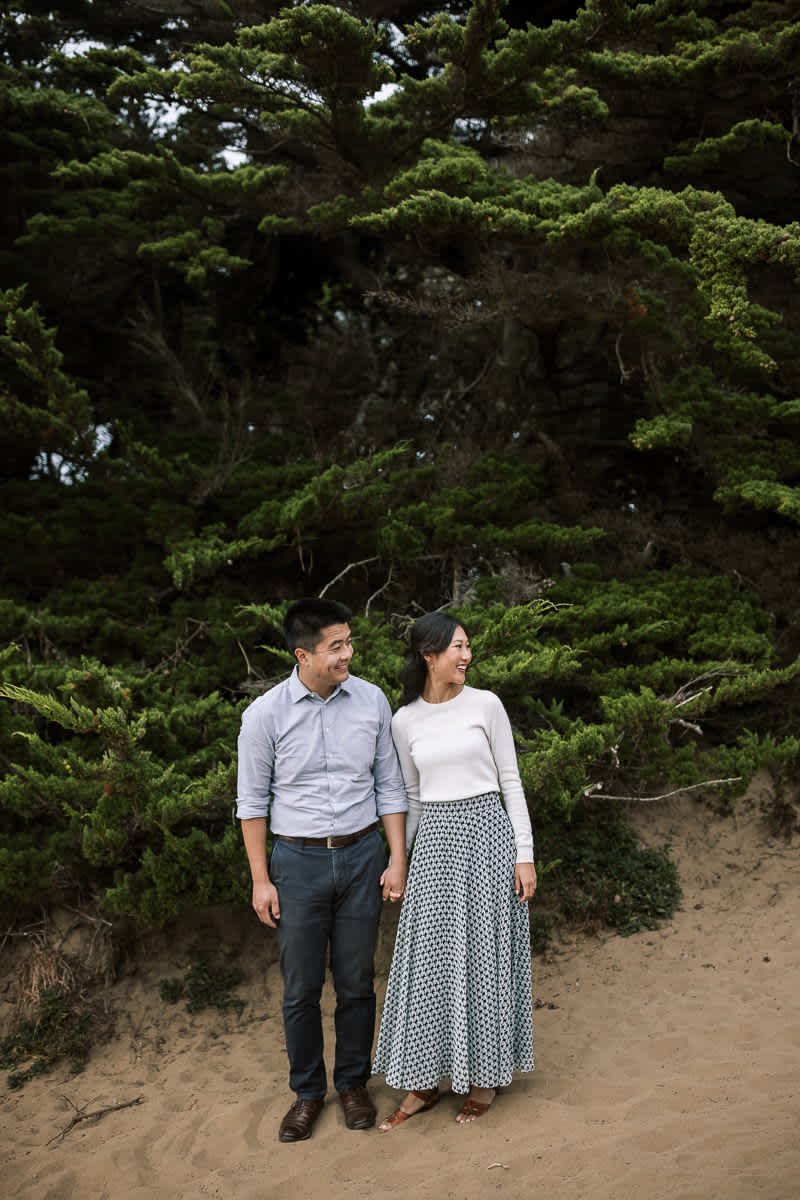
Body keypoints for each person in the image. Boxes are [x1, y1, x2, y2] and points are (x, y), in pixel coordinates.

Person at [236, 597, 408, 1143]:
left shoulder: (372, 701)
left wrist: (396, 857)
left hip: (363, 856)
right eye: (336, 647)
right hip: (297, 862)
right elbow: (251, 803)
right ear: (303, 654)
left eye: (349, 642)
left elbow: (390, 785)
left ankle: (353, 1084)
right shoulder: (264, 715)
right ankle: (308, 1094)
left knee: (357, 982)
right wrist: (261, 879)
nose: (347, 654)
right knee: (301, 988)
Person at [372, 611, 536, 1127]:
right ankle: (422, 1084)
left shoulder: (486, 705)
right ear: (429, 655)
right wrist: (402, 861)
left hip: (488, 837)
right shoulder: (404, 721)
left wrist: (524, 854)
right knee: (429, 963)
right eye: (456, 648)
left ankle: (484, 1081)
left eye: (468, 647)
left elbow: (510, 781)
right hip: (436, 847)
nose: (466, 657)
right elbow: (413, 796)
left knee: (484, 958)